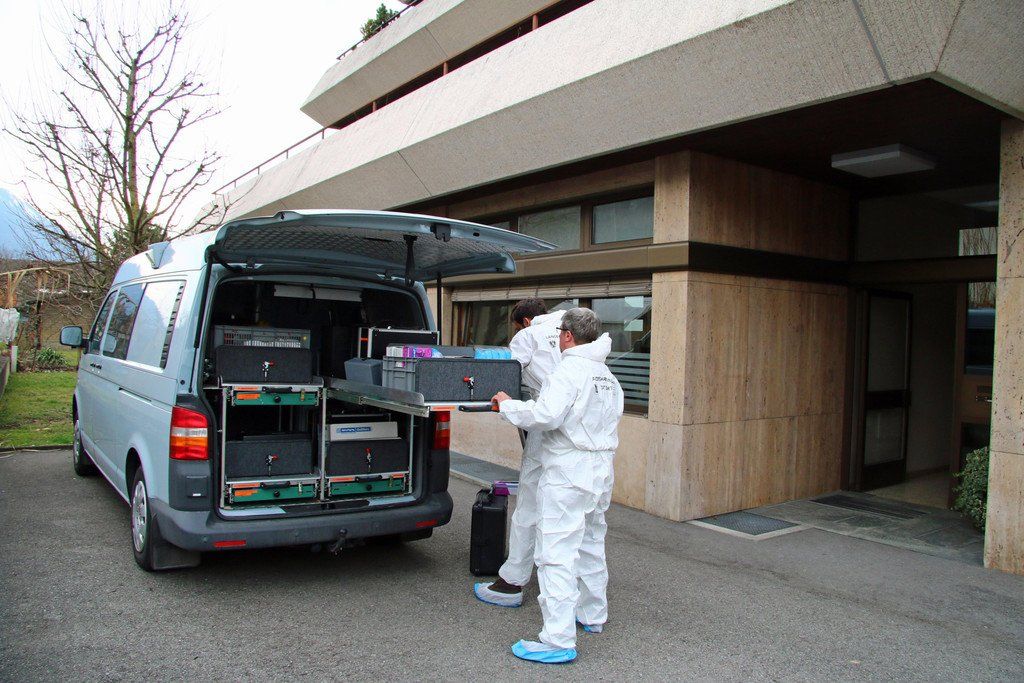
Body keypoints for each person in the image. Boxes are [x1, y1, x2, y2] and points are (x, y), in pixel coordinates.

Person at [481, 307, 624, 665]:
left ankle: (558, 639)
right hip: (601, 470)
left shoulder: (569, 371)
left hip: (569, 471)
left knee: (556, 551)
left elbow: (545, 415)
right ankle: (592, 614)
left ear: (567, 336)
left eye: (559, 333)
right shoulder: (607, 376)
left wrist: (507, 406)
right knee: (591, 542)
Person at [473, 298, 564, 607]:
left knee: (529, 506)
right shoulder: (575, 337)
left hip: (547, 429)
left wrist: (505, 403)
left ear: (525, 321)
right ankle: (586, 606)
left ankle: (511, 584)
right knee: (576, 518)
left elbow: (506, 373)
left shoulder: (528, 335)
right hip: (584, 442)